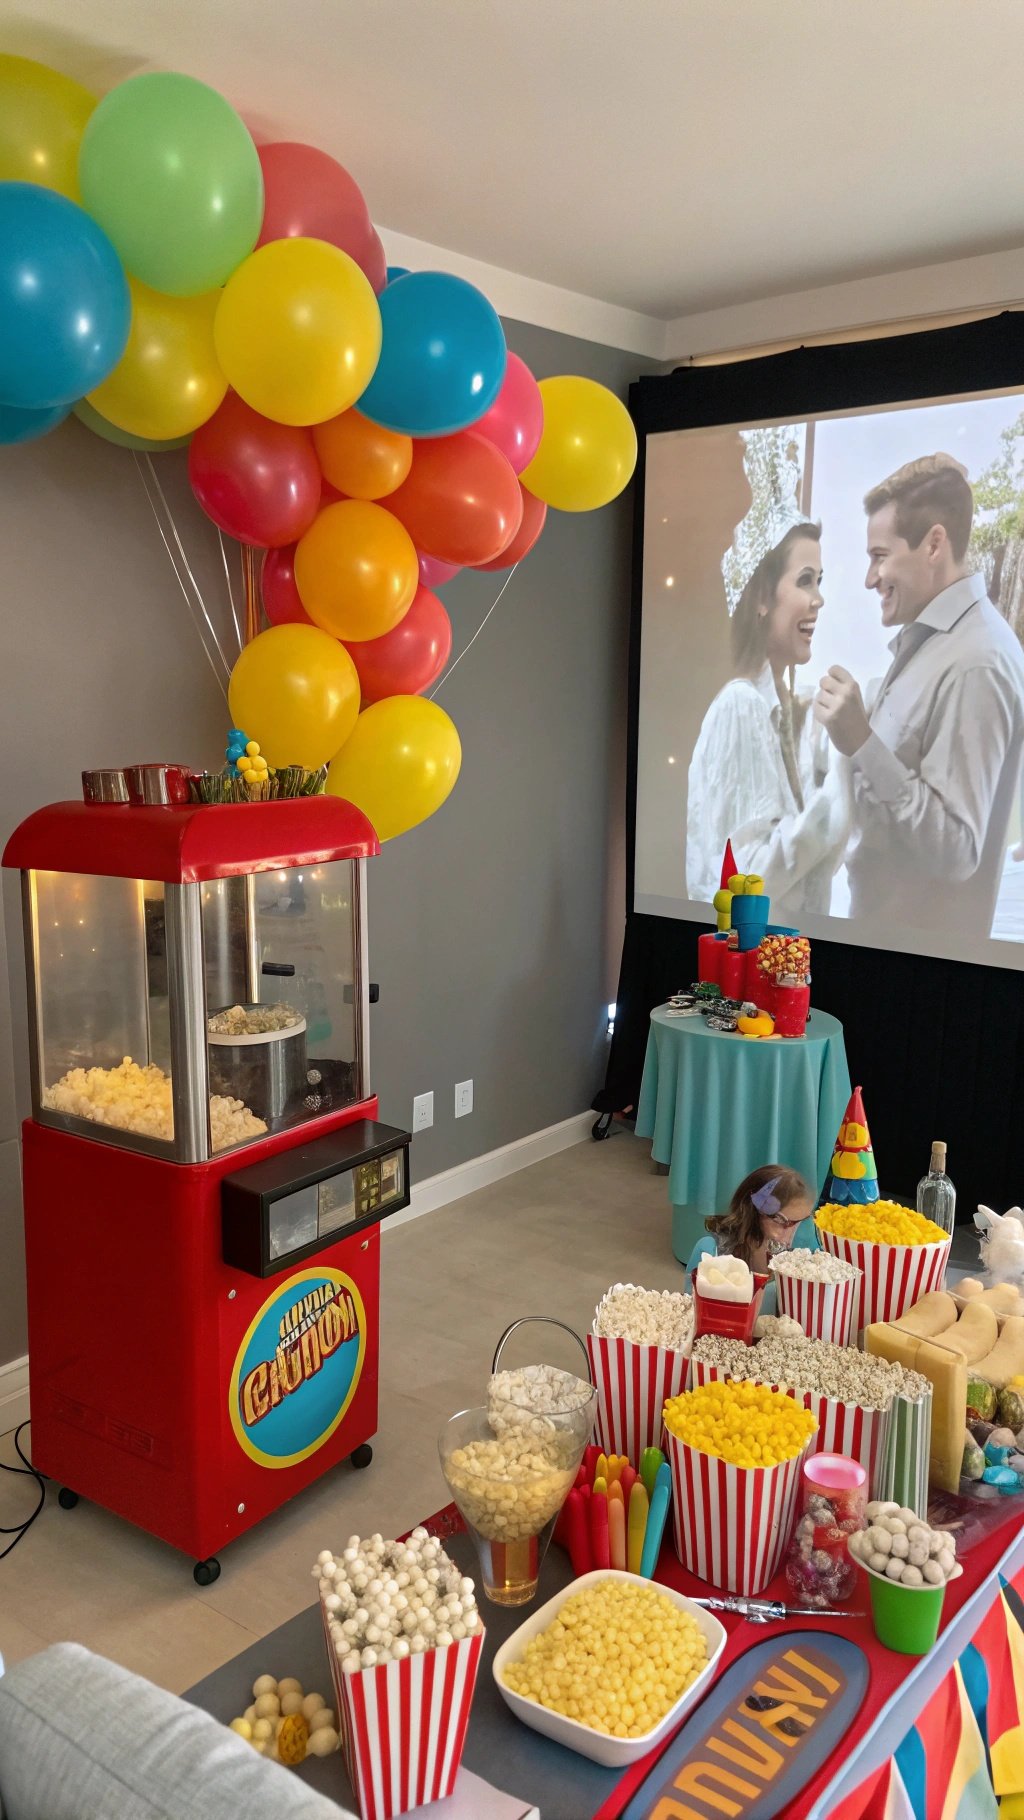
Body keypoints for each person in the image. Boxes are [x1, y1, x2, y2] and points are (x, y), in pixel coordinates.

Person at [815, 454, 1024, 933]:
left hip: (912, 972)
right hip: (884, 943)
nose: (870, 579)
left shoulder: (976, 661)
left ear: (934, 544)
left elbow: (956, 851)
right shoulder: (934, 642)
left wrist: (862, 742)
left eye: (879, 556)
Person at [687, 517, 850, 917]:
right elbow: (747, 877)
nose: (819, 599)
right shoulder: (740, 707)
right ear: (762, 596)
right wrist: (842, 788)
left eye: (820, 581)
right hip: (756, 970)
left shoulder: (783, 715)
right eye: (805, 580)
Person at [684, 1164, 817, 1314]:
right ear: (753, 1210)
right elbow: (692, 1310)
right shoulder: (710, 1251)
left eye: (800, 1222)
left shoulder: (805, 1248)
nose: (790, 1236)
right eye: (781, 1221)